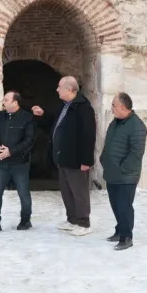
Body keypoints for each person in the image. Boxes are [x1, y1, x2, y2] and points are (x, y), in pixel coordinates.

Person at [31, 76, 95, 236]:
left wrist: (86, 160)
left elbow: (88, 135)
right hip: (62, 157)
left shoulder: (83, 108)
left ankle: (84, 223)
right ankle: (72, 219)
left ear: (69, 89)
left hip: (75, 158)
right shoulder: (64, 106)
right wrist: (42, 115)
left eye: (60, 87)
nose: (57, 89)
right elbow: (55, 124)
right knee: (67, 191)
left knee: (79, 192)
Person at [0, 91, 35, 233]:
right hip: (1, 163)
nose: (3, 102)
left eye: (6, 99)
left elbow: (29, 140)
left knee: (23, 193)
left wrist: (11, 151)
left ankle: (25, 220)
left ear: (15, 102)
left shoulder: (27, 117)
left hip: (20, 163)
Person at [101, 92, 147, 251]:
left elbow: (136, 153)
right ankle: (119, 230)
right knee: (115, 204)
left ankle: (126, 237)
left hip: (126, 175)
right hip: (112, 172)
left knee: (124, 206)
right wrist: (103, 159)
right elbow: (108, 143)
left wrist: (123, 169)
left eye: (114, 105)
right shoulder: (115, 123)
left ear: (123, 107)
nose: (112, 108)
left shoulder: (136, 126)